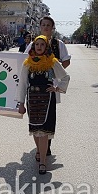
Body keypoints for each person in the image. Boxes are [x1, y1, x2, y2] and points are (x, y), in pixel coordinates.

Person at [16, 35, 70, 174]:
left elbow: (65, 77)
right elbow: (22, 84)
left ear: (46, 47)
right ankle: (39, 151)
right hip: (32, 99)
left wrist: (57, 88)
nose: (39, 47)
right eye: (37, 44)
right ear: (33, 46)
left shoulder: (52, 62)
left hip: (48, 100)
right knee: (35, 129)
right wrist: (21, 103)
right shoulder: (27, 63)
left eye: (42, 44)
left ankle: (43, 162)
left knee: (44, 131)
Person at [24, 16, 71, 157]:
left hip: (50, 87)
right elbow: (23, 61)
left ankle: (46, 146)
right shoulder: (33, 44)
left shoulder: (58, 44)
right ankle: (41, 148)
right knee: (34, 117)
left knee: (48, 117)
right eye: (43, 25)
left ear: (52, 28)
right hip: (33, 89)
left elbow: (66, 61)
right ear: (40, 27)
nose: (45, 27)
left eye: (48, 25)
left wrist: (54, 70)